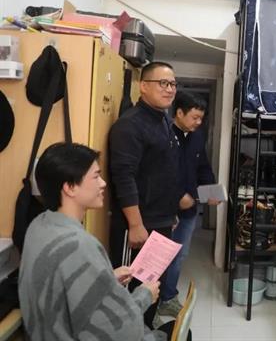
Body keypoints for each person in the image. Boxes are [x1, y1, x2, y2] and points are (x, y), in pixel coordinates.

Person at [18, 142, 168, 341]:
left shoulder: (39, 225)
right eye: (96, 176)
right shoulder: (79, 245)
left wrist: (106, 278)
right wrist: (144, 295)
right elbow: (119, 332)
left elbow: (64, 285)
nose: (103, 183)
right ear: (70, 187)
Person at [108, 61, 182, 328]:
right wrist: (136, 224)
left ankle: (146, 331)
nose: (170, 89)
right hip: (139, 224)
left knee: (152, 286)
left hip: (161, 220)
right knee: (131, 289)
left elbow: (164, 171)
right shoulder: (130, 125)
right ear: (143, 86)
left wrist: (171, 213)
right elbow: (123, 177)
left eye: (173, 84)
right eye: (163, 83)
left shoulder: (163, 121)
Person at [157, 91, 220, 318]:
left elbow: (203, 167)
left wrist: (210, 189)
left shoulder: (197, 136)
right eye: (195, 117)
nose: (199, 122)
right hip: (163, 210)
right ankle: (151, 301)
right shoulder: (162, 135)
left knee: (179, 255)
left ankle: (168, 298)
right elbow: (157, 174)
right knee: (159, 257)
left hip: (190, 209)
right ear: (179, 113)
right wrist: (177, 196)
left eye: (201, 118)